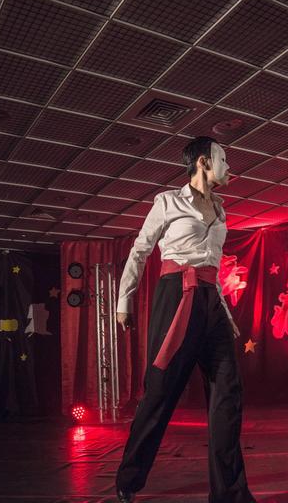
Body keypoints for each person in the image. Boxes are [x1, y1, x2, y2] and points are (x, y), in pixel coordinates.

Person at [114, 137, 255, 503]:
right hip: (176, 295)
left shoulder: (221, 210)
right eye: (224, 159)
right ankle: (129, 478)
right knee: (160, 392)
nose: (230, 167)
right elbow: (140, 251)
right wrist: (124, 301)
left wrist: (224, 311)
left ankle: (230, 495)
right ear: (204, 162)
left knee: (228, 394)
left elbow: (214, 268)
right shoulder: (167, 202)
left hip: (210, 301)